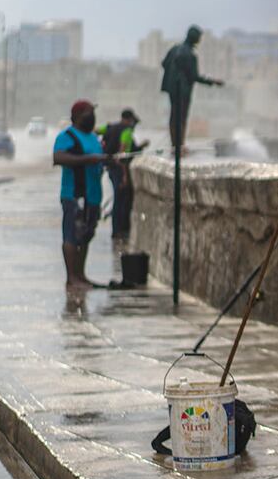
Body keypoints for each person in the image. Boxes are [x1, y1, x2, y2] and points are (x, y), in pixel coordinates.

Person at [52, 100, 114, 289]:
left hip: (93, 195)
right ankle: (71, 278)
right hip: (74, 195)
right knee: (71, 235)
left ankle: (81, 274)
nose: (92, 116)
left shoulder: (93, 138)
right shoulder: (67, 136)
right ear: (78, 116)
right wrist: (88, 159)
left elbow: (99, 158)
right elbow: (58, 157)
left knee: (86, 234)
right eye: (89, 113)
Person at [160, 26, 224, 153]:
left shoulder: (174, 49)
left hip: (171, 88)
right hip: (183, 90)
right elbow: (194, 76)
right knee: (181, 117)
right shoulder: (190, 54)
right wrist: (213, 82)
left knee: (174, 116)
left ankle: (175, 145)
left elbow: (164, 63)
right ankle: (179, 146)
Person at [98, 108, 148, 243]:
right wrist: (125, 175)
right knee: (121, 200)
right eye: (133, 123)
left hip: (110, 167)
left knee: (118, 198)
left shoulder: (109, 127)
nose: (134, 126)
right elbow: (122, 154)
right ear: (129, 120)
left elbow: (95, 131)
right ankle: (119, 231)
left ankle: (117, 230)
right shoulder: (126, 131)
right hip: (120, 168)